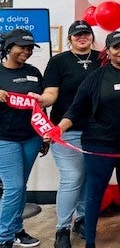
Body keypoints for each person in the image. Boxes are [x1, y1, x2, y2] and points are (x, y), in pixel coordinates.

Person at [48, 30, 120, 248]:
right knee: (95, 192)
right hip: (100, 145)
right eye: (117, 47)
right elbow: (76, 109)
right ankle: (90, 241)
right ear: (108, 51)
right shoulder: (96, 77)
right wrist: (58, 129)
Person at [33, 21, 101, 248]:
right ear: (70, 38)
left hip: (97, 131)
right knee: (72, 178)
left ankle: (81, 219)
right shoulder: (58, 61)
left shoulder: (102, 59)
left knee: (88, 178)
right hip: (65, 130)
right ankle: (62, 228)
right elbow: (51, 93)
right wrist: (43, 100)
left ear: (91, 36)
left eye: (86, 34)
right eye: (77, 35)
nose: (82, 38)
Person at [0, 29, 44, 248]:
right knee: (14, 187)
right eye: (21, 47)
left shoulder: (35, 72)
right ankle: (3, 237)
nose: (26, 52)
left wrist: (45, 135)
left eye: (29, 48)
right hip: (4, 139)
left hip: (31, 137)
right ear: (9, 48)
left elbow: (41, 106)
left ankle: (16, 230)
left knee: (21, 186)